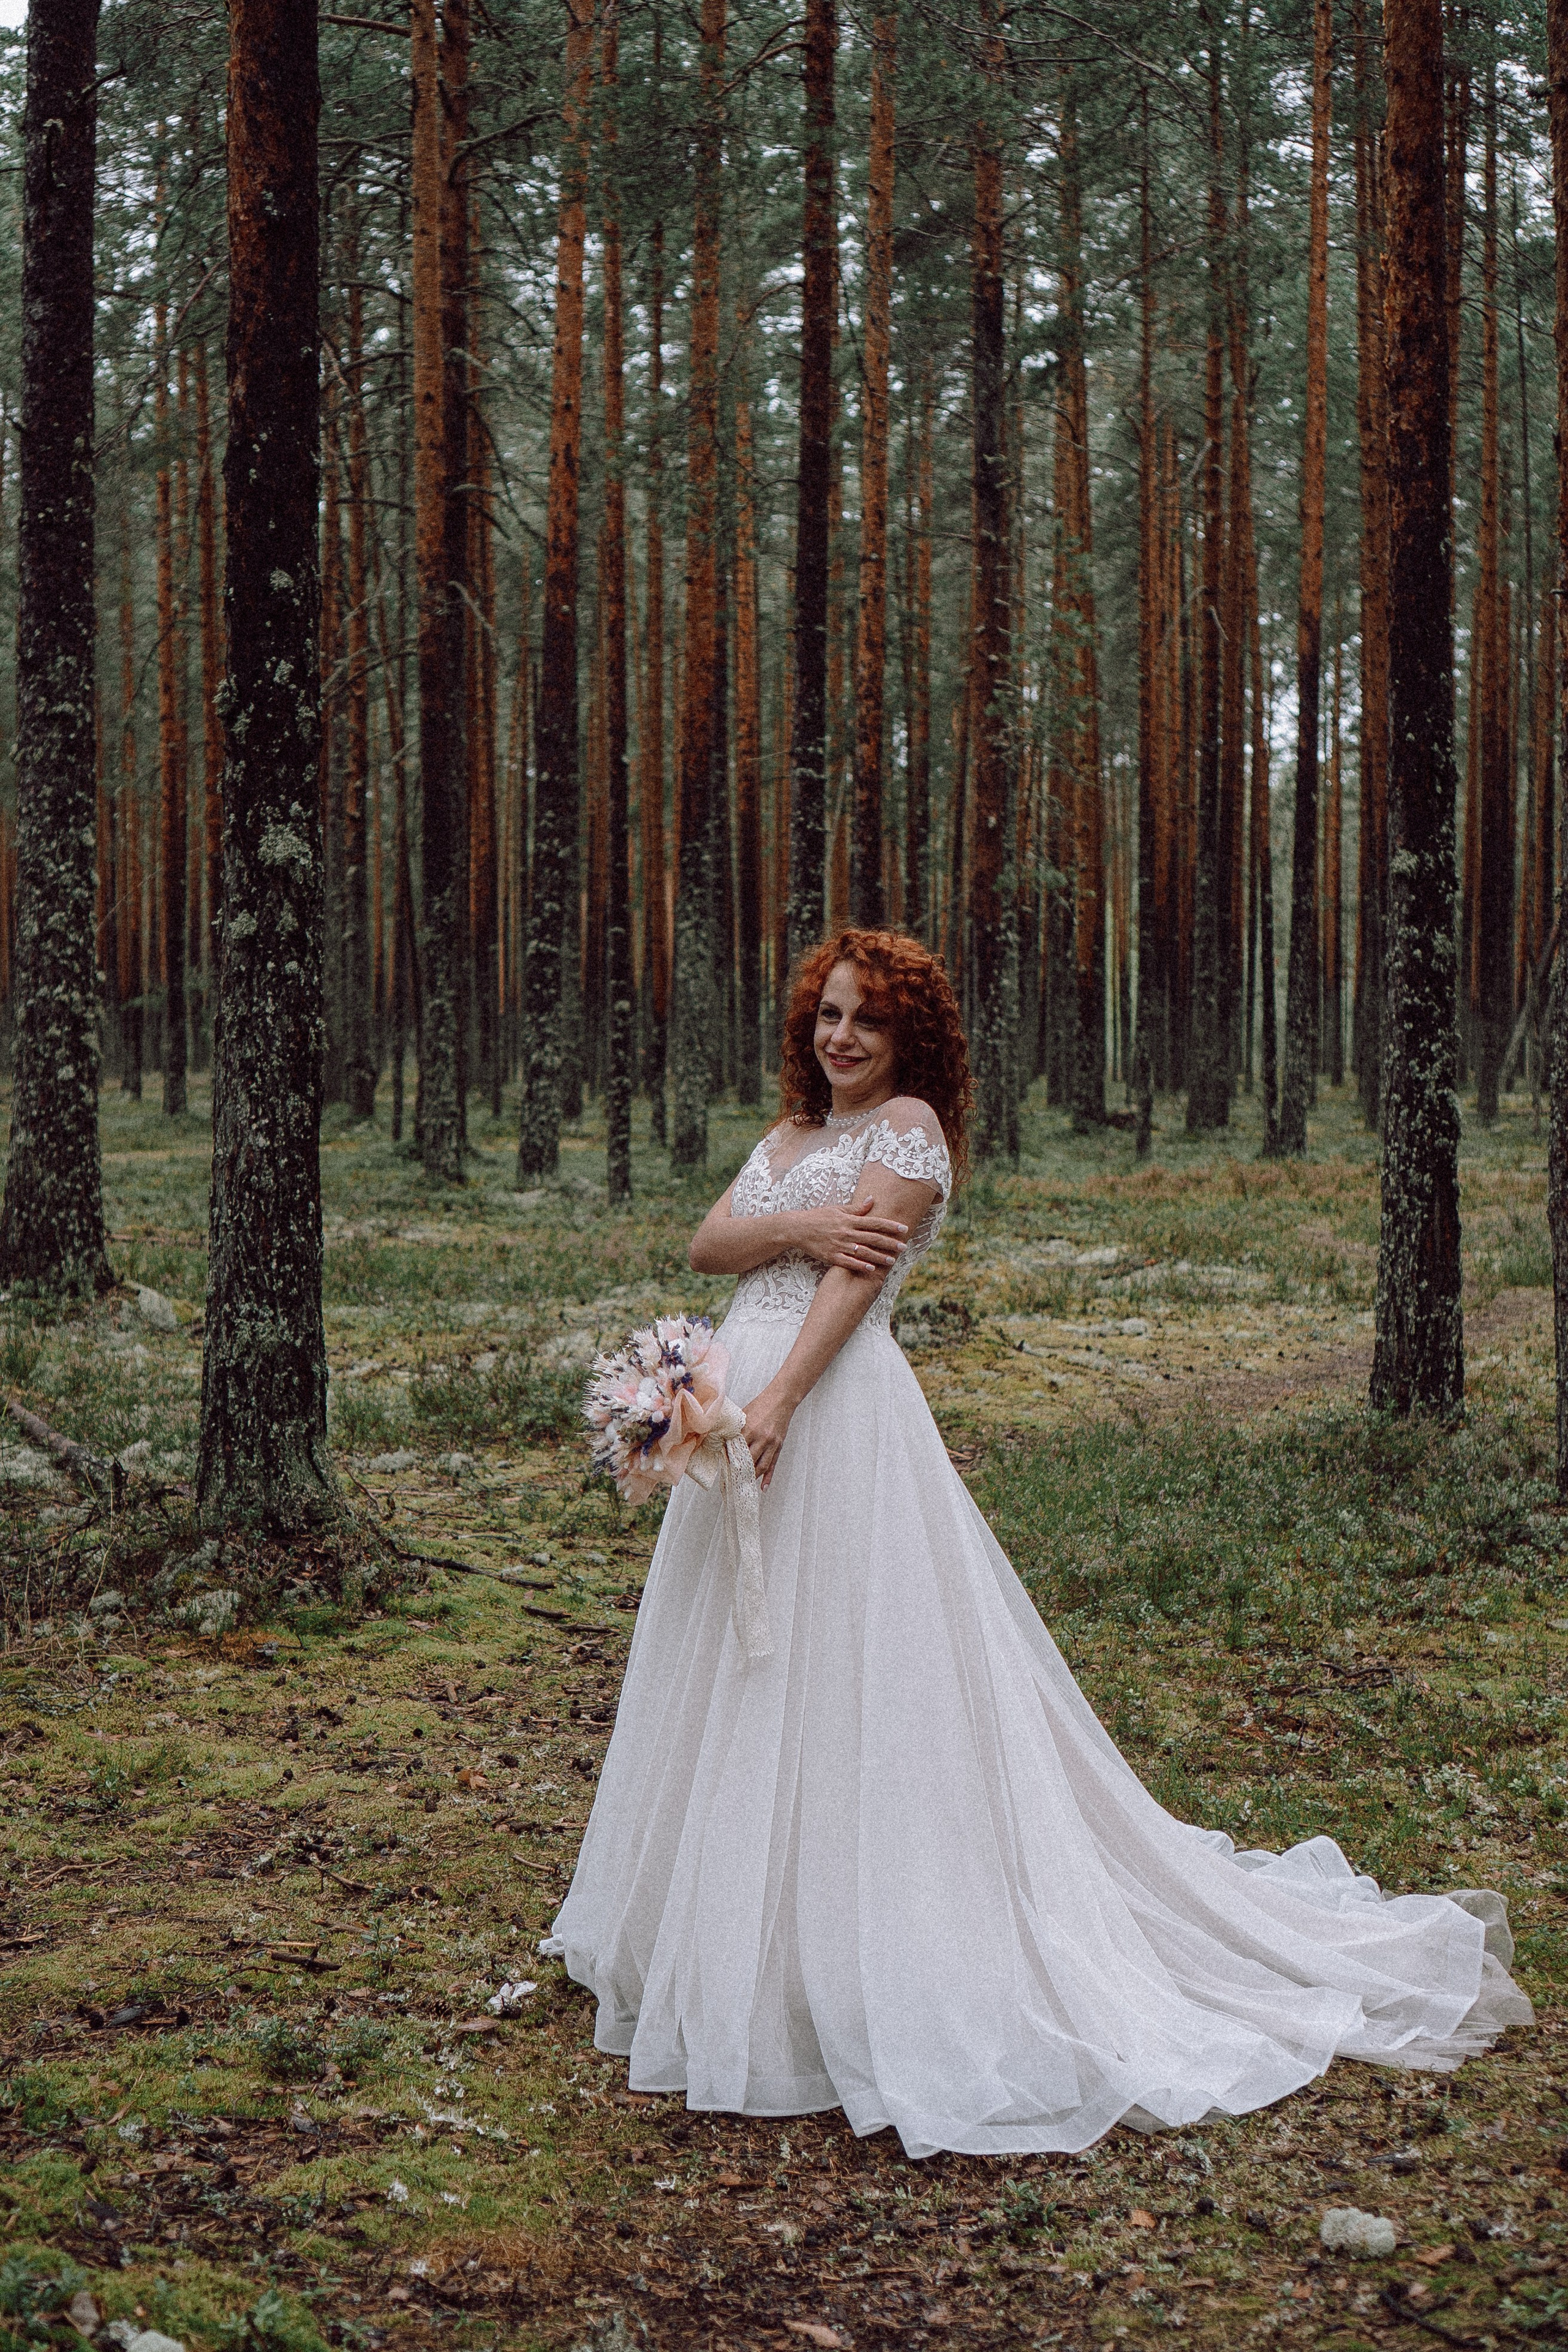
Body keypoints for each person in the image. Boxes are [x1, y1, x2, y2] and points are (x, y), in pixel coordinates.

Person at [545, 927, 1531, 2159]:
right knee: (739, 1667)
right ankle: (733, 1937)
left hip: (830, 1414)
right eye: (828, 1015)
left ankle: (868, 1945)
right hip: (738, 1406)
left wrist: (781, 1399)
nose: (839, 1038)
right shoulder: (791, 1139)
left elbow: (861, 1286)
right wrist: (794, 1237)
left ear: (909, 1042)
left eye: (866, 1021)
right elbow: (708, 1245)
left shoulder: (905, 1130)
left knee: (853, 1666)